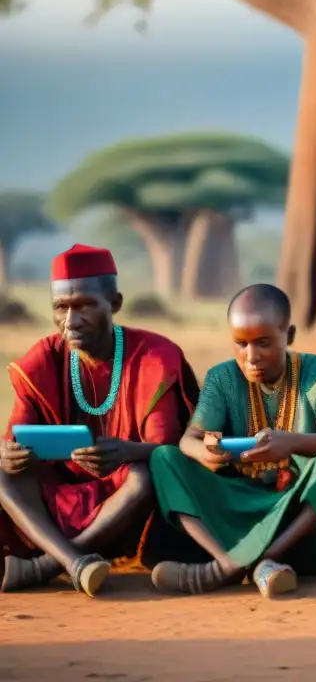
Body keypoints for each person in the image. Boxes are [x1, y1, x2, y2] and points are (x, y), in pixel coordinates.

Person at [0, 244, 198, 597]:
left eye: (84, 306)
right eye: (61, 308)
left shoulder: (154, 357)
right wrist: (11, 455)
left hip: (126, 505)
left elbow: (167, 450)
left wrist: (125, 452)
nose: (70, 321)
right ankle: (75, 562)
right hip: (54, 497)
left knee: (143, 475)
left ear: (115, 304)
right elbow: (14, 440)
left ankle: (48, 565)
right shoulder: (42, 359)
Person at [147, 284, 316, 598]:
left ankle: (226, 570)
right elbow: (188, 440)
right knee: (164, 458)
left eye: (263, 343)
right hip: (236, 503)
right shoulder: (223, 378)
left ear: (290, 334)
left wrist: (293, 443)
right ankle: (237, 562)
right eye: (240, 344)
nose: (251, 356)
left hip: (295, 513)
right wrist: (205, 451)